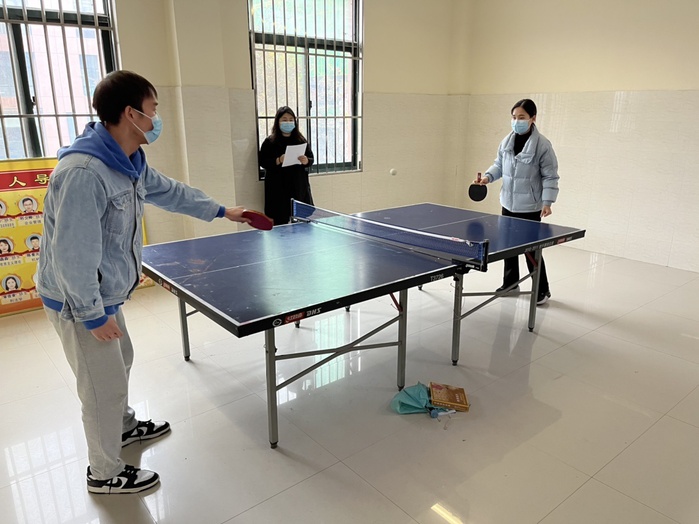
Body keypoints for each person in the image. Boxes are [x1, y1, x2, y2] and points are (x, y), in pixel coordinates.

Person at [37, 70, 252, 495]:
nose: (157, 117)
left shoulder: (128, 162)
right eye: (153, 109)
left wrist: (221, 211)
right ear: (131, 114)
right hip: (77, 301)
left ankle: (124, 428)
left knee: (122, 360)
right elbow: (72, 255)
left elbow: (170, 191)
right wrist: (92, 316)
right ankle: (103, 473)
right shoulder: (84, 172)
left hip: (105, 292)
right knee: (101, 386)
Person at [473, 98, 559, 305]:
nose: (516, 121)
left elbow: (550, 176)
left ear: (532, 118)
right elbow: (499, 165)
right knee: (508, 247)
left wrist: (547, 202)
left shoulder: (543, 145)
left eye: (521, 117)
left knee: (531, 250)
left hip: (530, 207)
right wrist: (487, 178)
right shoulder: (506, 141)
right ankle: (511, 283)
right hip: (508, 203)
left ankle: (542, 289)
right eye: (514, 117)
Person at [258, 106, 314, 225]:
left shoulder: (301, 140)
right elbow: (263, 162)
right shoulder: (269, 142)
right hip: (278, 188)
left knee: (302, 221)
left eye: (290, 119)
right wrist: (278, 160)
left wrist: (306, 161)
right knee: (279, 221)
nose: (288, 122)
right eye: (284, 120)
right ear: (277, 121)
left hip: (298, 185)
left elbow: (311, 158)